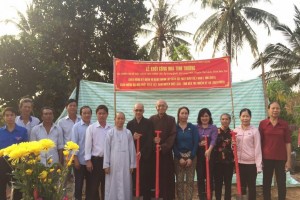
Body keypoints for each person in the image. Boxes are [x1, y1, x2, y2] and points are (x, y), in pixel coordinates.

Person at [259, 102, 291, 200]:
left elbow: (288, 143)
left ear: (280, 110)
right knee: (266, 182)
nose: (275, 110)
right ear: (268, 110)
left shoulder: (284, 124)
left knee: (281, 183)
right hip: (266, 158)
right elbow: (259, 142)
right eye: (273, 108)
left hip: (281, 158)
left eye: (277, 108)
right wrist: (259, 159)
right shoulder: (263, 124)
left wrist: (289, 160)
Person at [103, 112, 136, 200]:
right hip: (113, 164)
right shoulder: (110, 133)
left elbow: (132, 149)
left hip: (125, 163)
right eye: (118, 118)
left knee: (125, 183)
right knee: (112, 184)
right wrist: (106, 165)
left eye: (122, 119)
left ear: (124, 120)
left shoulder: (128, 133)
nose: (120, 121)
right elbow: (106, 150)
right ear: (115, 120)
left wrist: (132, 164)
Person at [149, 99, 176, 200]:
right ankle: (155, 196)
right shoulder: (151, 119)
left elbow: (173, 135)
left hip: (166, 153)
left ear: (166, 108)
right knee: (154, 176)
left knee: (166, 177)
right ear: (156, 108)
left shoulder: (171, 119)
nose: (161, 107)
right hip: (154, 153)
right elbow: (148, 134)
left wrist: (163, 146)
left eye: (163, 106)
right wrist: (153, 139)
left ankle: (167, 197)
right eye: (159, 106)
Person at [126, 103, 154, 200]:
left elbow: (150, 139)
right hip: (133, 156)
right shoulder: (129, 124)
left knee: (145, 179)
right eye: (136, 110)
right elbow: (127, 140)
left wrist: (141, 152)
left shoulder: (149, 123)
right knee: (133, 179)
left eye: (140, 110)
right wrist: (132, 138)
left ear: (143, 111)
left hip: (145, 156)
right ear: (133, 111)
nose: (138, 112)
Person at [233, 108, 262, 200]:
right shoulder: (236, 130)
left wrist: (258, 165)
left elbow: (258, 148)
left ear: (250, 117)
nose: (245, 118)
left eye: (247, 116)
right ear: (240, 117)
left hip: (251, 164)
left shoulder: (255, 131)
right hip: (239, 163)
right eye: (243, 116)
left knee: (251, 186)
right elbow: (232, 147)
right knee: (241, 186)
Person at [84, 105, 112, 200]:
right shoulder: (91, 128)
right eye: (99, 113)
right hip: (95, 161)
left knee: (106, 186)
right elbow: (87, 145)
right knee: (93, 186)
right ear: (96, 115)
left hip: (108, 161)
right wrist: (88, 161)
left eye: (103, 113)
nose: (101, 115)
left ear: (107, 114)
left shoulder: (111, 129)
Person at [0, 107, 28, 200]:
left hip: (17, 164)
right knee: (1, 187)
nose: (9, 117)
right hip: (2, 163)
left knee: (17, 189)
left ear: (15, 116)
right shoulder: (0, 131)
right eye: (7, 115)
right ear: (4, 117)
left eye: (11, 115)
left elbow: (25, 148)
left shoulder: (23, 131)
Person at [173, 106, 199, 200]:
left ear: (188, 115)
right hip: (178, 158)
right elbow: (173, 144)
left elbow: (196, 143)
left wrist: (191, 158)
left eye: (186, 113)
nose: (184, 115)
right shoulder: (175, 128)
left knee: (190, 181)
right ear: (178, 115)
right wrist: (179, 157)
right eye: (182, 113)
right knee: (179, 181)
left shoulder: (193, 127)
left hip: (191, 158)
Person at [71, 106, 92, 200]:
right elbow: (74, 144)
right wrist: (75, 159)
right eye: (84, 113)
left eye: (88, 113)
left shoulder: (94, 126)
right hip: (79, 161)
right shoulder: (76, 127)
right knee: (78, 184)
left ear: (91, 114)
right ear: (81, 114)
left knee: (90, 185)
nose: (87, 115)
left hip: (91, 162)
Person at [196, 108, 218, 200]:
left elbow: (214, 139)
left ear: (209, 117)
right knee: (200, 176)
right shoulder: (195, 127)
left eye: (206, 116)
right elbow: (194, 140)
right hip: (199, 154)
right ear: (199, 117)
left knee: (210, 176)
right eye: (202, 116)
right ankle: (202, 197)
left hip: (210, 154)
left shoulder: (213, 127)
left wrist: (209, 150)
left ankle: (209, 196)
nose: (204, 118)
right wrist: (199, 143)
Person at [213, 113, 234, 200]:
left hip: (229, 163)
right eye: (223, 119)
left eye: (227, 119)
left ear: (230, 120)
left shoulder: (232, 133)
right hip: (218, 162)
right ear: (220, 120)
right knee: (218, 184)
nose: (225, 121)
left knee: (228, 184)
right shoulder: (215, 132)